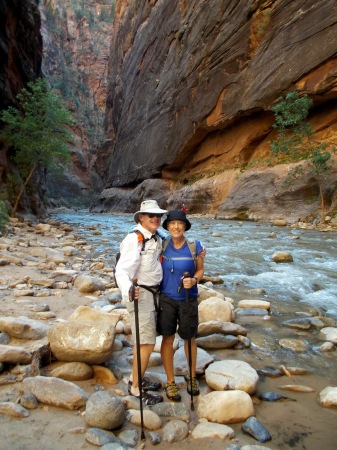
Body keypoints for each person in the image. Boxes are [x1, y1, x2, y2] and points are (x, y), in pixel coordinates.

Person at [115, 199, 167, 405]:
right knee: (146, 342)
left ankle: (135, 378)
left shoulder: (156, 236)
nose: (156, 218)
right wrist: (128, 289)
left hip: (152, 293)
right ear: (141, 218)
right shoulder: (134, 239)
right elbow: (122, 270)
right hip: (140, 293)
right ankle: (136, 388)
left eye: (158, 215)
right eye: (151, 215)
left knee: (143, 340)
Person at [157, 210, 205, 401]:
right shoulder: (163, 244)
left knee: (189, 338)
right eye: (172, 224)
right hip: (167, 299)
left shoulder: (195, 246)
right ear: (167, 227)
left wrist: (194, 280)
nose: (176, 227)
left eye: (180, 223)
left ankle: (191, 376)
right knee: (167, 339)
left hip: (188, 298)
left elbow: (200, 270)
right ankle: (170, 381)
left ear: (185, 227)